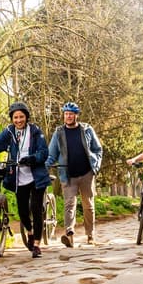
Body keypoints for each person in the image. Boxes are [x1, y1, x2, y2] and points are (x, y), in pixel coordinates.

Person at [0, 102, 50, 258]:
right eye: (15, 117)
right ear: (12, 119)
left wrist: (31, 159)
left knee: (36, 208)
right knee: (23, 211)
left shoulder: (35, 131)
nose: (18, 120)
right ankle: (29, 233)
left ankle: (37, 244)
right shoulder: (9, 132)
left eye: (21, 117)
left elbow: (44, 152)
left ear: (26, 117)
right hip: (18, 177)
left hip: (36, 176)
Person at [45, 102, 103, 247]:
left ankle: (90, 235)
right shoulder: (58, 132)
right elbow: (51, 154)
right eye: (66, 114)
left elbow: (98, 149)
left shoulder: (87, 129)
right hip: (67, 174)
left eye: (71, 114)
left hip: (86, 174)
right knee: (69, 204)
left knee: (88, 205)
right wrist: (44, 166)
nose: (68, 116)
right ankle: (69, 234)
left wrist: (95, 166)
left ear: (76, 115)